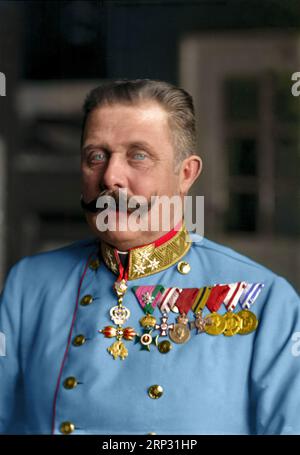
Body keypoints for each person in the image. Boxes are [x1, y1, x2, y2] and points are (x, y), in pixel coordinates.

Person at [0, 79, 300, 435]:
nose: (110, 176)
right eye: (96, 156)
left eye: (137, 156)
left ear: (185, 174)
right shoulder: (29, 284)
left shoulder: (266, 299)